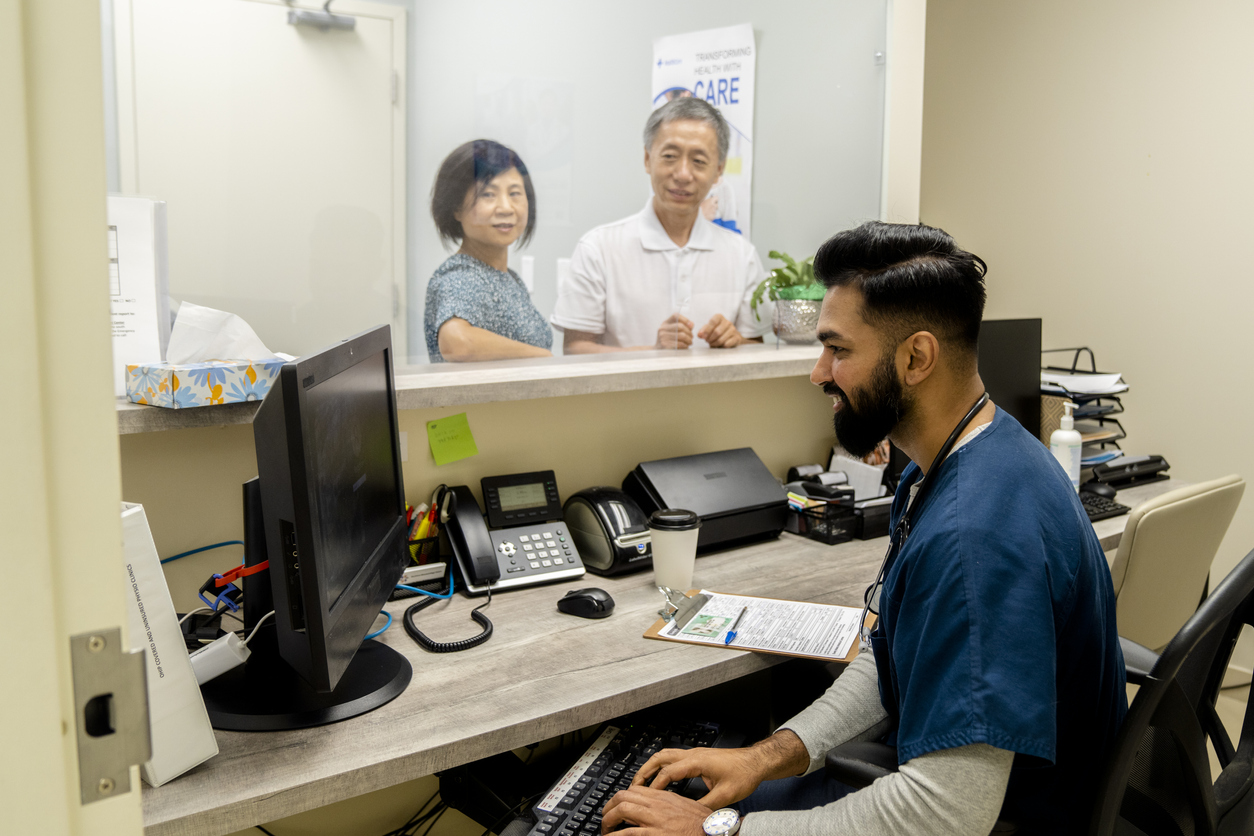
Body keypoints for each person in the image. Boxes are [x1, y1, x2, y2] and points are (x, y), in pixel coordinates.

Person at [601, 222, 1127, 835]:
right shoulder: (967, 456)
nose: (818, 372)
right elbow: (888, 656)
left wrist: (717, 832)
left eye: (839, 350)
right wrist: (764, 758)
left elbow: (944, 815)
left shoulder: (973, 540)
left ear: (916, 358)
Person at [551, 99, 769, 352]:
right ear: (647, 159)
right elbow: (576, 348)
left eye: (698, 161)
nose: (683, 174)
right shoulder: (598, 248)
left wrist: (734, 340)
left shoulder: (741, 255)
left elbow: (755, 345)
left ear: (718, 170)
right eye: (670, 156)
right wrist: (653, 352)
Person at [424, 140, 552, 362]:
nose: (505, 208)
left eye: (514, 193)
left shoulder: (507, 278)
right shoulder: (460, 276)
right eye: (488, 195)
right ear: (455, 208)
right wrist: (543, 356)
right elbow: (457, 344)